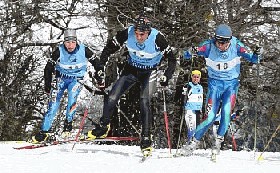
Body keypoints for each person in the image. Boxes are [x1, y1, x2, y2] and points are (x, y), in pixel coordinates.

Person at [87, 14, 176, 156]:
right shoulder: (127, 33)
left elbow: (172, 60)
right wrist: (100, 67)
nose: (138, 37)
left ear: (148, 32)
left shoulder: (158, 38)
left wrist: (167, 76)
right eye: (136, 34)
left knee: (144, 101)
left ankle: (146, 138)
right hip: (131, 69)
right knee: (112, 97)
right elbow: (108, 49)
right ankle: (104, 127)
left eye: (142, 34)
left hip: (149, 72)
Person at [183, 24, 262, 155]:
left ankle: (218, 143)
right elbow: (187, 54)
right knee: (209, 117)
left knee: (226, 114)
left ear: (229, 41)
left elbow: (254, 59)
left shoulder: (237, 46)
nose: (221, 46)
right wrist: (190, 51)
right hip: (215, 86)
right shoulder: (208, 46)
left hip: (231, 86)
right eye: (218, 42)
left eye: (224, 43)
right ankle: (192, 143)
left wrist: (257, 53)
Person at [32, 29, 99, 143]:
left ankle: (67, 127)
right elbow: (48, 68)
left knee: (72, 99)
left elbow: (97, 62)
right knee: (53, 104)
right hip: (61, 79)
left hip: (76, 80)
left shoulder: (84, 49)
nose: (70, 45)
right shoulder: (59, 51)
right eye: (67, 42)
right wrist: (47, 85)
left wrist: (99, 73)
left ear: (76, 41)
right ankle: (44, 132)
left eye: (73, 42)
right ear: (64, 42)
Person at [182, 70, 203, 145]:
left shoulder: (200, 87)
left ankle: (192, 145)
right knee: (191, 128)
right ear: (191, 77)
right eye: (194, 77)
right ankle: (189, 144)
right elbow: (182, 96)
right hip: (190, 110)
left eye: (197, 77)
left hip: (197, 111)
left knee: (196, 129)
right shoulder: (188, 85)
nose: (196, 79)